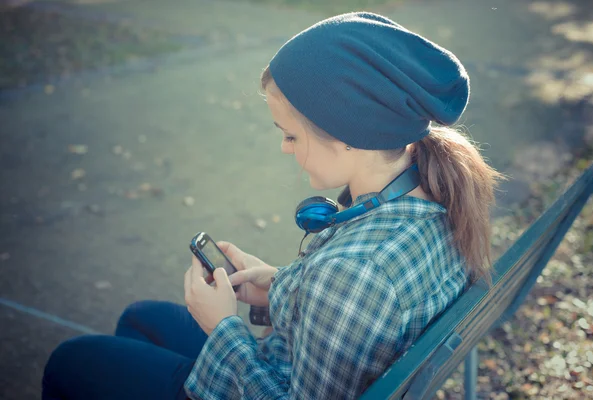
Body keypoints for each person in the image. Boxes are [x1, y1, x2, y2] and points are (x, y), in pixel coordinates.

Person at [42, 11, 503, 400]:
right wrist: (280, 286)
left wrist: (223, 324)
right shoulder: (429, 197)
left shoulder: (357, 273)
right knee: (141, 319)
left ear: (348, 135)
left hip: (262, 381)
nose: (284, 148)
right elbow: (354, 323)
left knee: (72, 362)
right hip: (295, 357)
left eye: (290, 135)